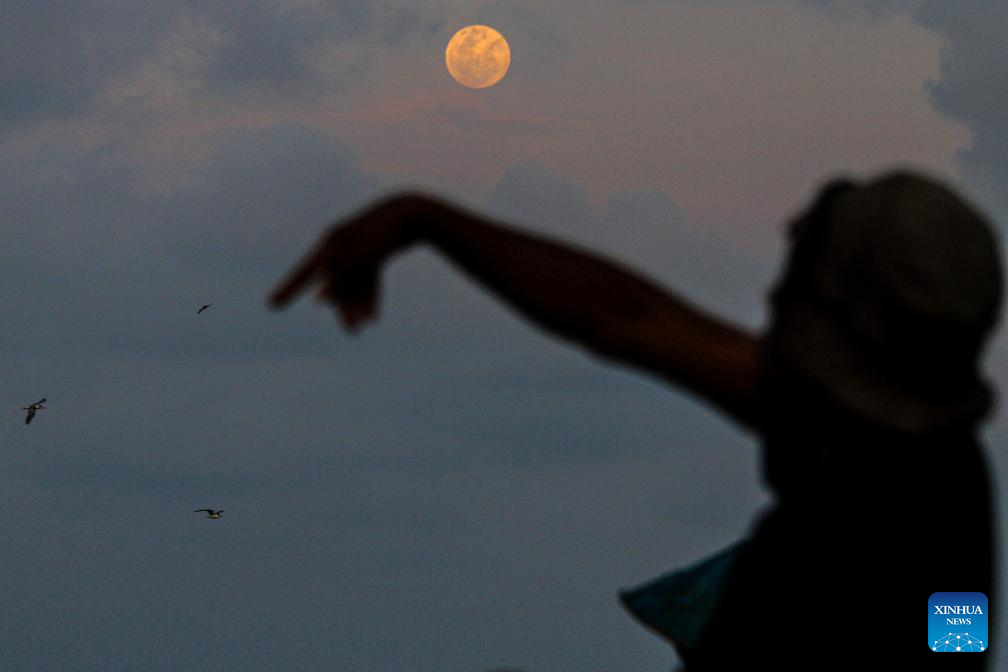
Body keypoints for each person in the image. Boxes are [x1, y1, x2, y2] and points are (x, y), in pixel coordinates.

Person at [269, 171, 1001, 670]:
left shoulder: (906, 522)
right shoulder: (870, 437)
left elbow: (947, 638)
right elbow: (625, 317)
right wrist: (425, 220)